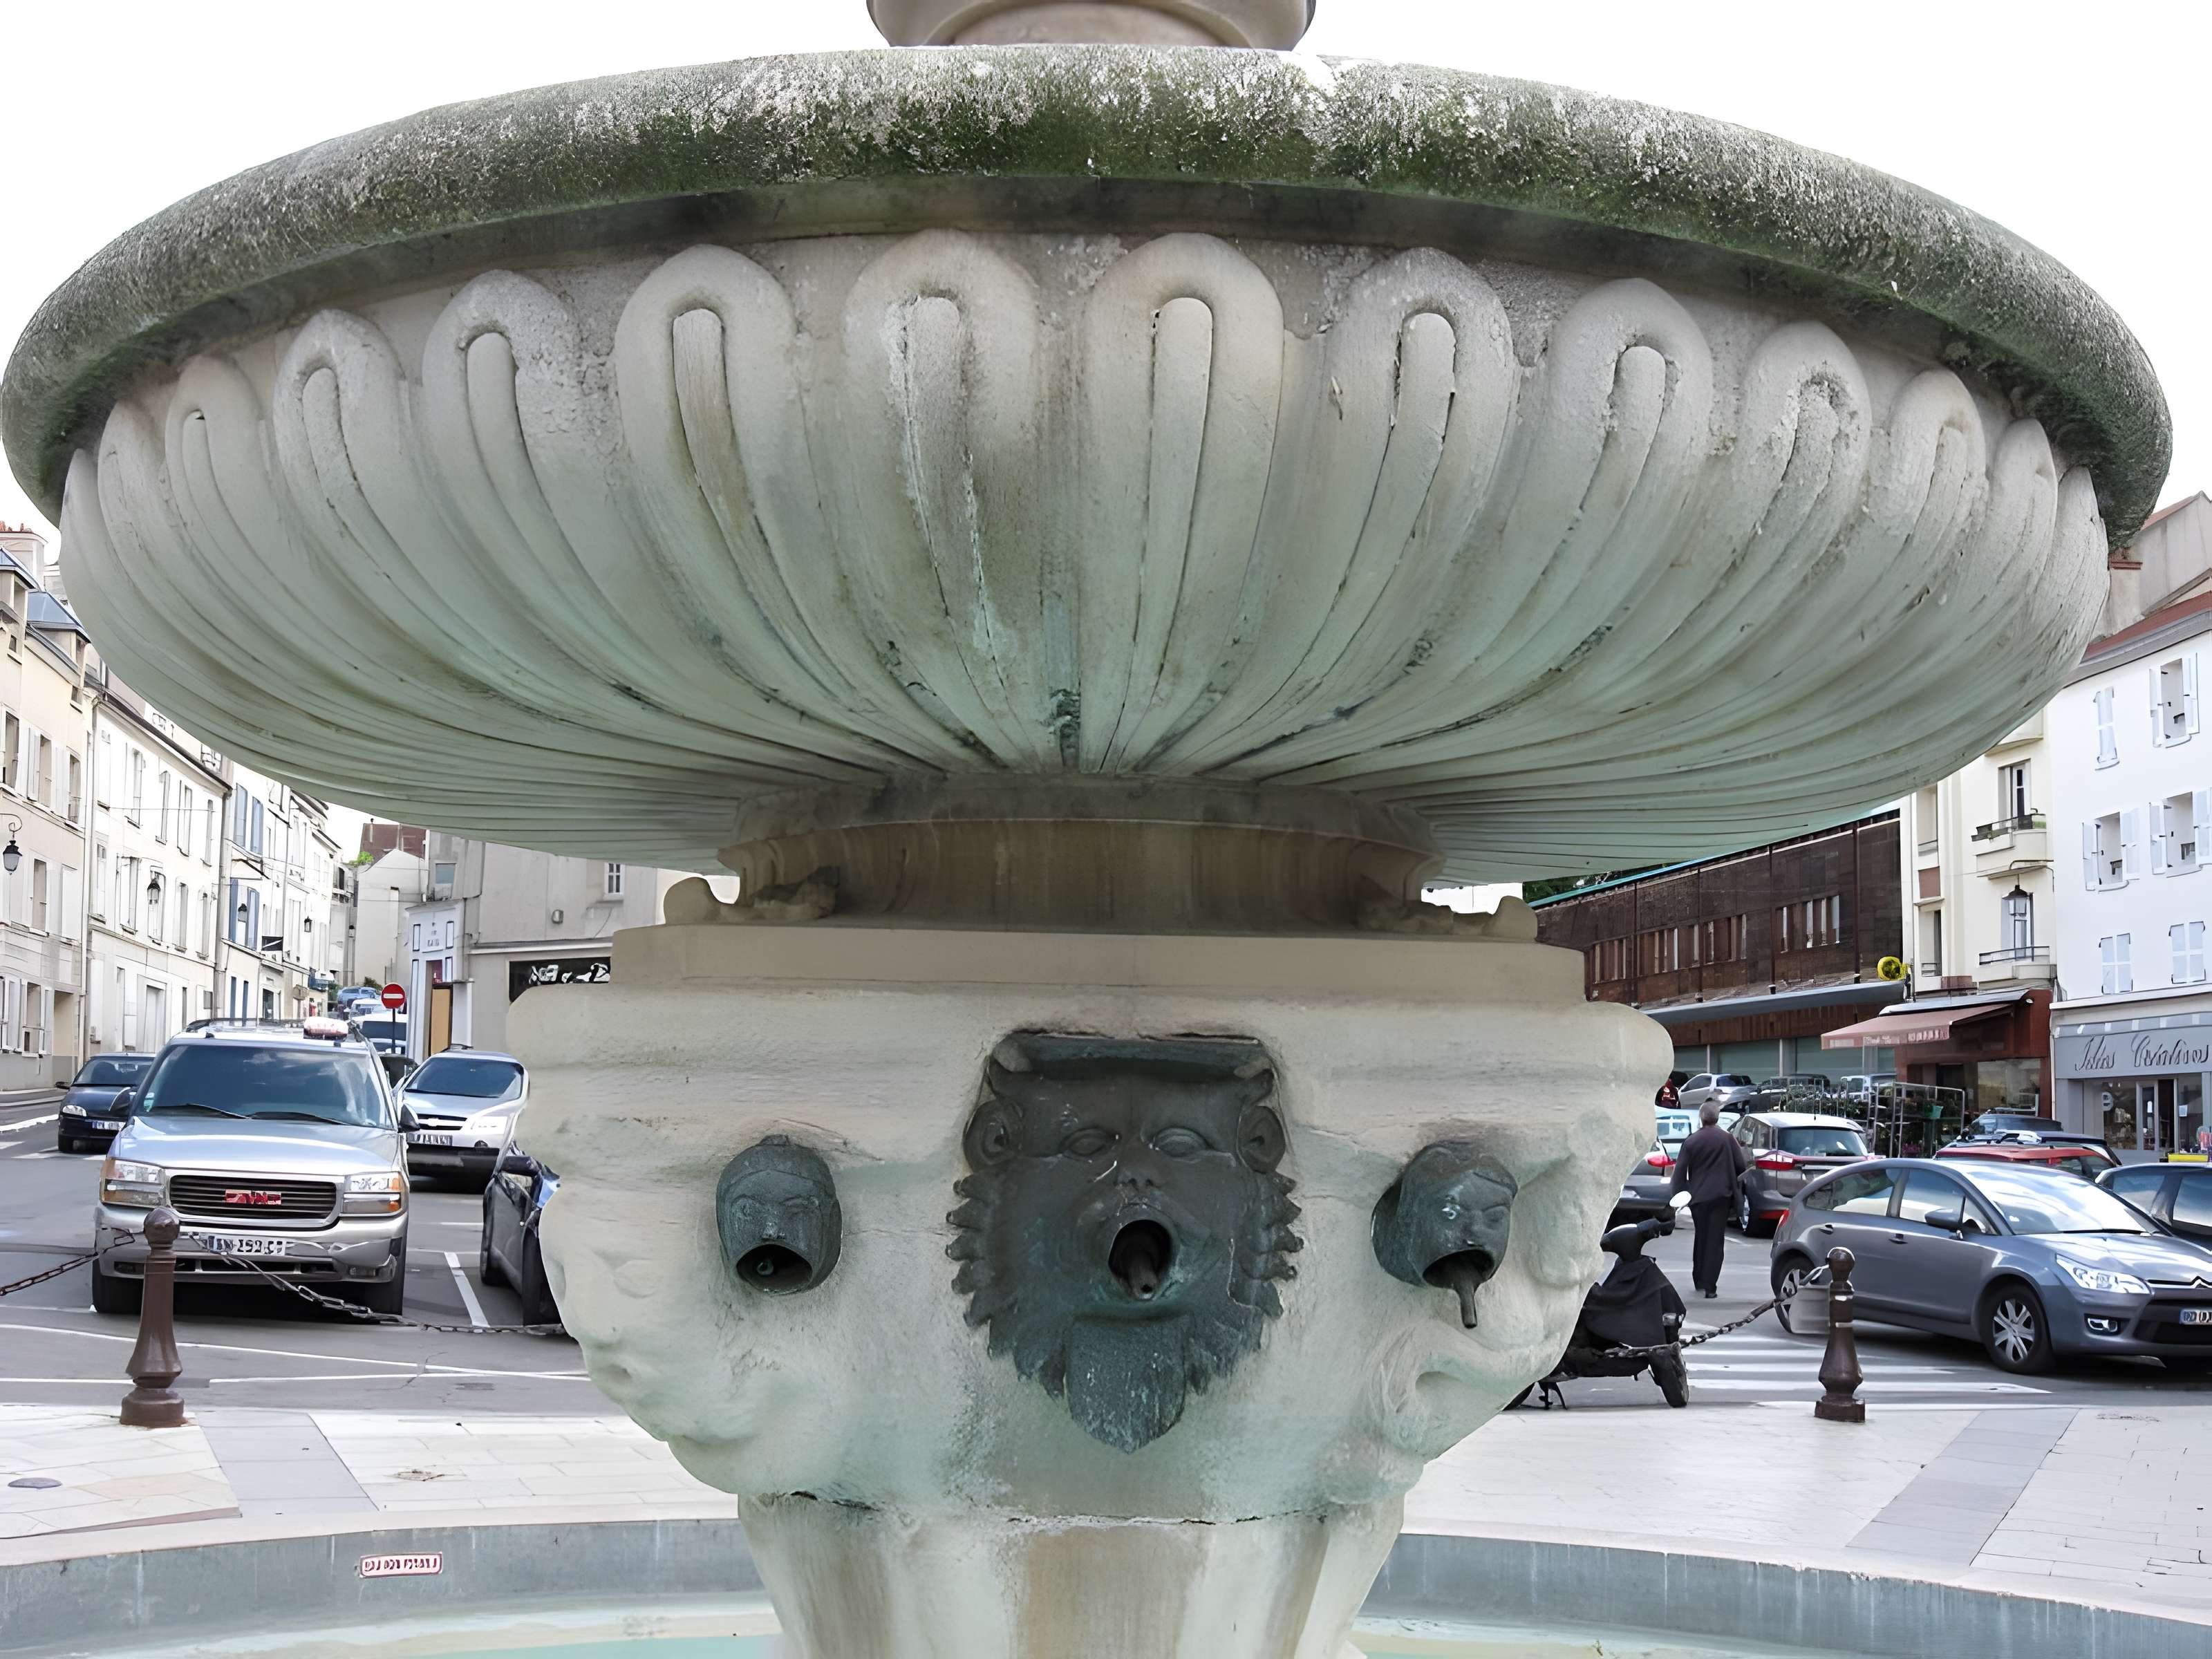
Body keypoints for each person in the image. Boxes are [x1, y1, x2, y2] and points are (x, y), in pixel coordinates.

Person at [1669, 1102, 1748, 1300]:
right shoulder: (1728, 1139)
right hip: (1722, 1197)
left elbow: (1680, 1171)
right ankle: (1710, 1285)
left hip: (1698, 1198)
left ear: (1701, 1118)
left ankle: (1698, 1278)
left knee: (1701, 1237)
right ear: (1717, 1118)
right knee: (1715, 1240)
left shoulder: (1692, 1141)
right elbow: (1741, 1165)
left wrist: (1678, 1196)